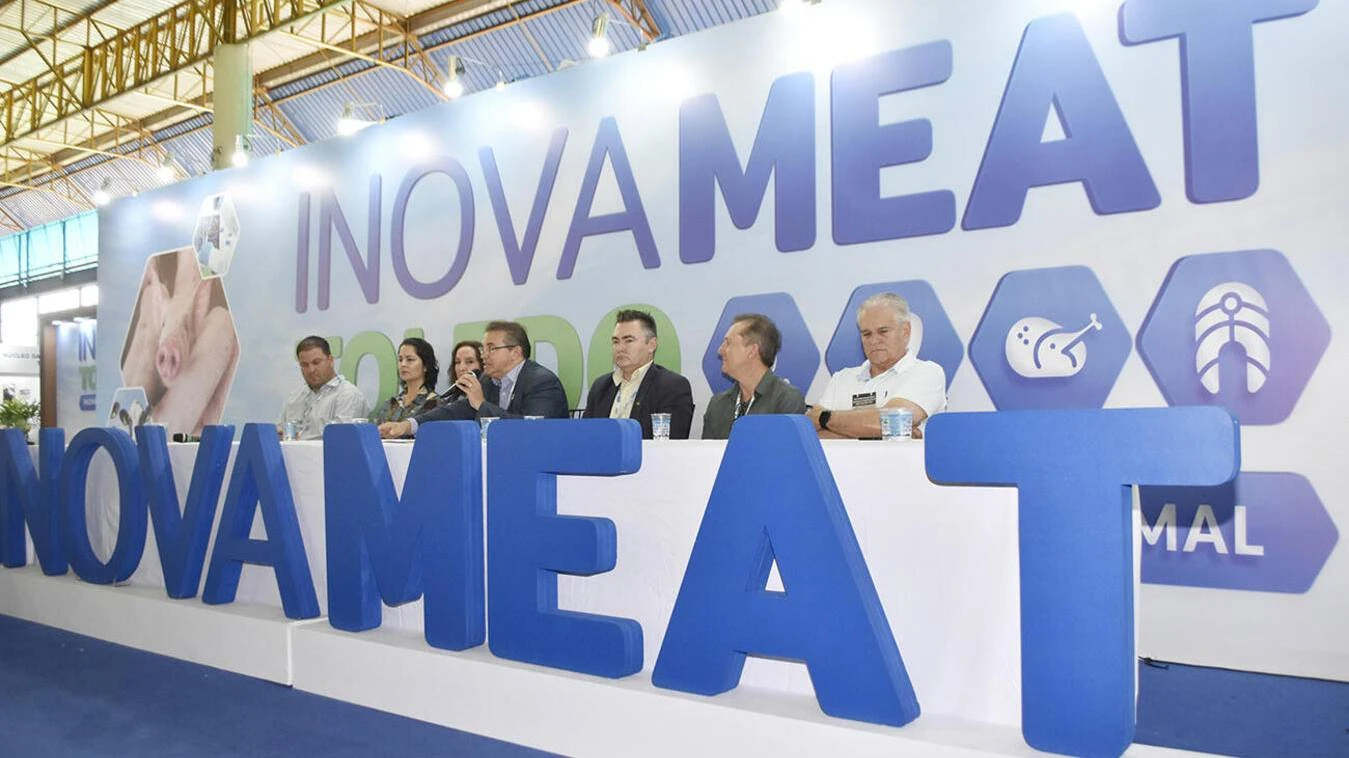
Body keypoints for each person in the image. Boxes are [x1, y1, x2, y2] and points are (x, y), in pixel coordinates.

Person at [378, 320, 567, 438]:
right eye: (483, 349)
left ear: (515, 353)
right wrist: (407, 426)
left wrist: (481, 404)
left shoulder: (542, 383)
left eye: (491, 348)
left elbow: (534, 432)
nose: (484, 355)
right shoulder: (487, 380)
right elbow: (453, 411)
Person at [807, 293, 946, 439]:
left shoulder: (927, 372)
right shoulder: (841, 378)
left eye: (883, 331)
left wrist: (824, 418)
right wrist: (881, 432)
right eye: (867, 334)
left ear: (906, 331)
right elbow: (812, 434)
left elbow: (889, 424)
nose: (874, 340)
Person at [584, 310, 695, 439]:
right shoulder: (601, 387)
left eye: (628, 340)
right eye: (616, 341)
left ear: (652, 345)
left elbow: (670, 441)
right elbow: (585, 435)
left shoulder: (671, 386)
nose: (620, 348)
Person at [701, 313, 806, 440]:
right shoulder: (717, 405)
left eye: (728, 343)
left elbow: (783, 449)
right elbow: (706, 451)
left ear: (752, 351)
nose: (720, 350)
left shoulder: (787, 400)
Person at [279, 335, 370, 440]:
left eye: (316, 362)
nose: (311, 370)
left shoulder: (348, 395)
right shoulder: (295, 397)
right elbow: (280, 431)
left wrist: (298, 438)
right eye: (304, 365)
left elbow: (341, 439)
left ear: (330, 360)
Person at [369, 337, 440, 425]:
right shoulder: (390, 403)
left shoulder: (435, 403)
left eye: (410, 359)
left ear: (426, 366)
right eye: (400, 359)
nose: (403, 364)